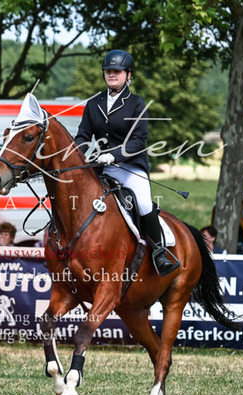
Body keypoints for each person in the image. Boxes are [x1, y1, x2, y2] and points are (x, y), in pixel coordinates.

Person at [74, 49, 177, 277]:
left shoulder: (137, 103)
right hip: (100, 168)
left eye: (117, 71)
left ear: (128, 75)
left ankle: (159, 253)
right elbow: (83, 135)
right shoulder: (94, 103)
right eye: (108, 71)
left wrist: (113, 155)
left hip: (129, 167)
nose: (112, 74)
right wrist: (76, 155)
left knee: (143, 203)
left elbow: (138, 140)